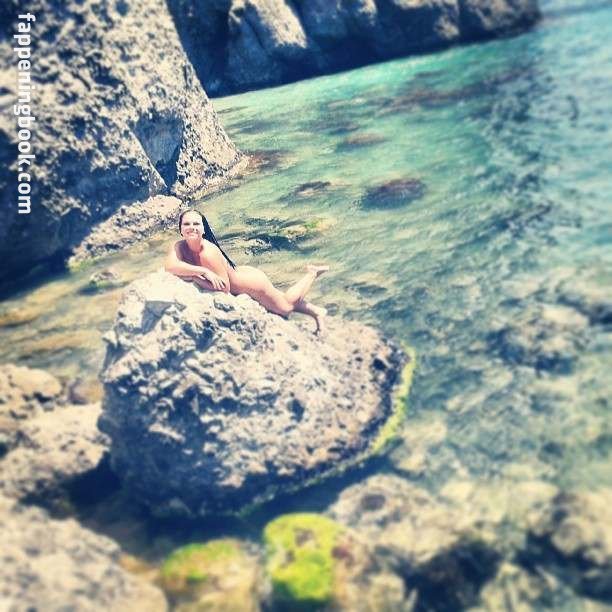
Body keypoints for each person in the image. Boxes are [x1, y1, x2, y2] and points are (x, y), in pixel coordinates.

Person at [164, 209, 329, 333]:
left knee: (286, 307)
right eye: (186, 224)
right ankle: (317, 312)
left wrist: (195, 277)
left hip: (253, 285)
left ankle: (312, 273)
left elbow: (224, 288)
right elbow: (170, 266)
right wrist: (202, 271)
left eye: (196, 224)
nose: (191, 228)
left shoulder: (208, 253)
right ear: (180, 229)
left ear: (203, 229)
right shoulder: (179, 245)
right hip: (242, 274)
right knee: (282, 299)